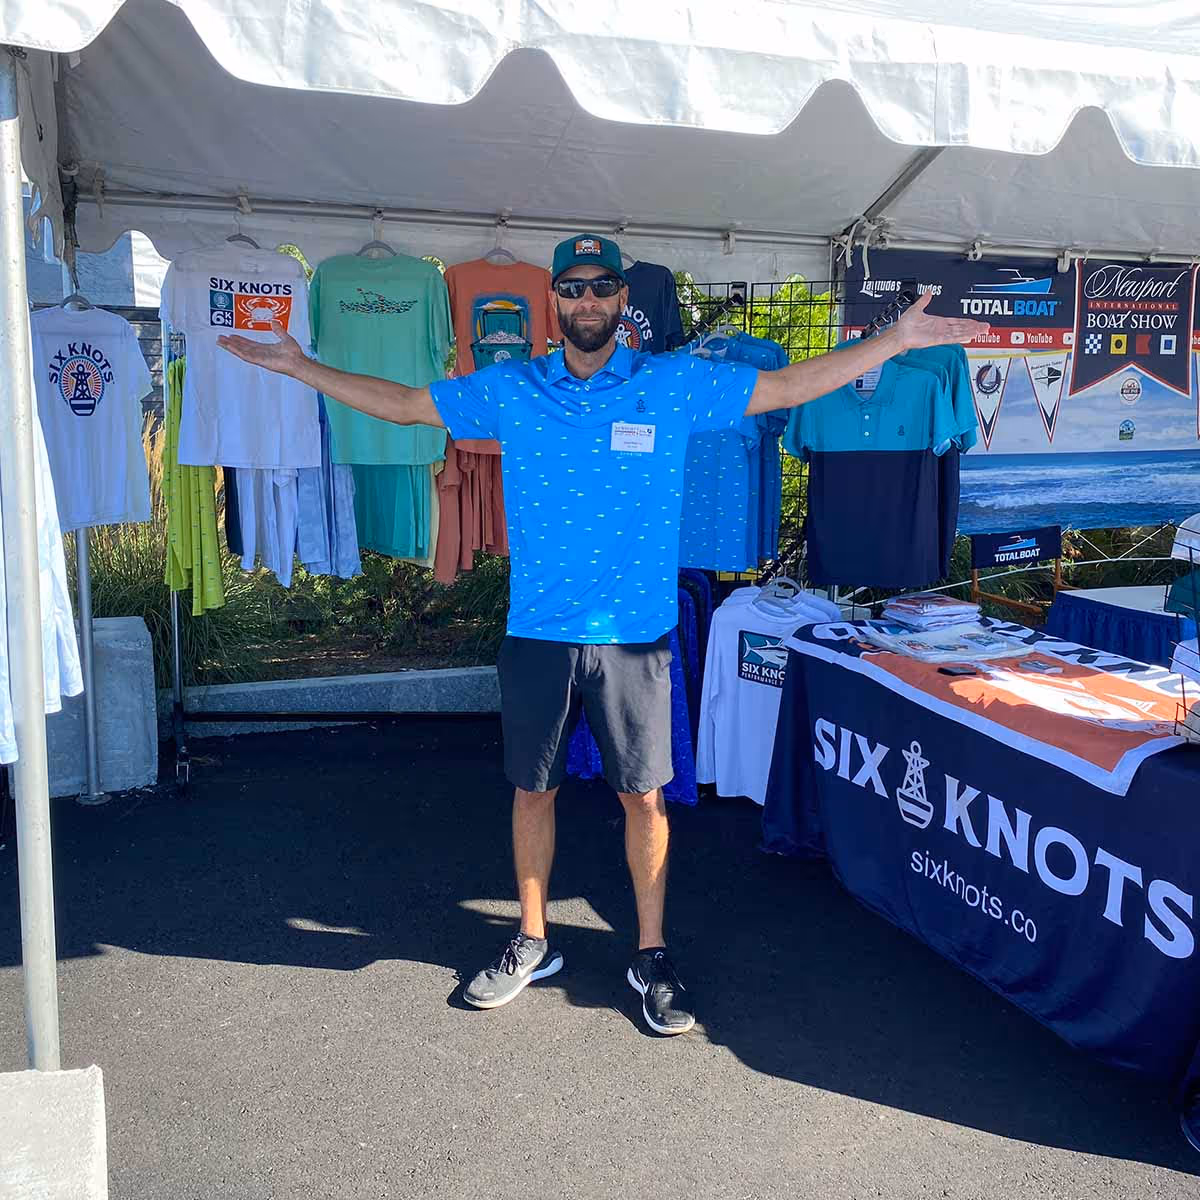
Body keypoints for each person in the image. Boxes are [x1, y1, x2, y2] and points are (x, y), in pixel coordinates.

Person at [218, 235, 987, 1035]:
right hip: (539, 631)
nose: (588, 301)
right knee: (532, 789)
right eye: (573, 288)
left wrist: (892, 340)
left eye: (602, 288)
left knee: (645, 796)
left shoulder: (672, 384)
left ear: (625, 301)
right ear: (554, 302)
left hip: (636, 636)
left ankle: (650, 953)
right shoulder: (515, 388)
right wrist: (301, 368)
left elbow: (788, 386)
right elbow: (411, 403)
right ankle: (531, 939)